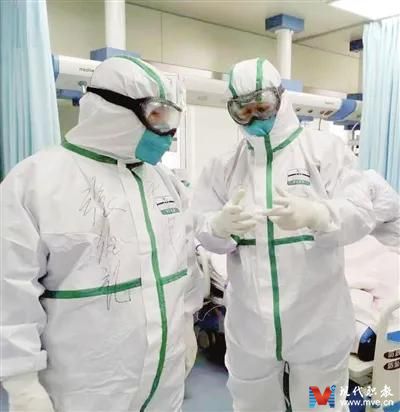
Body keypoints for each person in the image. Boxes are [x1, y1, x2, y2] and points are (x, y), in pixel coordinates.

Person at [1, 56, 202, 412]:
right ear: (112, 110)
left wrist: (186, 321)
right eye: (156, 116)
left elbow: (185, 262)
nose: (168, 132)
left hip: (164, 380)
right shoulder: (34, 182)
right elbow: (9, 289)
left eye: (171, 118)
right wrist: (21, 381)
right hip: (86, 388)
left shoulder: (164, 182)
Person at [192, 57, 375, 411]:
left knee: (320, 405)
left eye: (262, 106)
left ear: (281, 98)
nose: (254, 118)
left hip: (318, 325)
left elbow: (361, 212)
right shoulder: (224, 166)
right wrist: (218, 227)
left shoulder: (323, 150)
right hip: (251, 329)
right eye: (243, 111)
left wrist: (318, 215)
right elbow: (200, 225)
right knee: (253, 405)